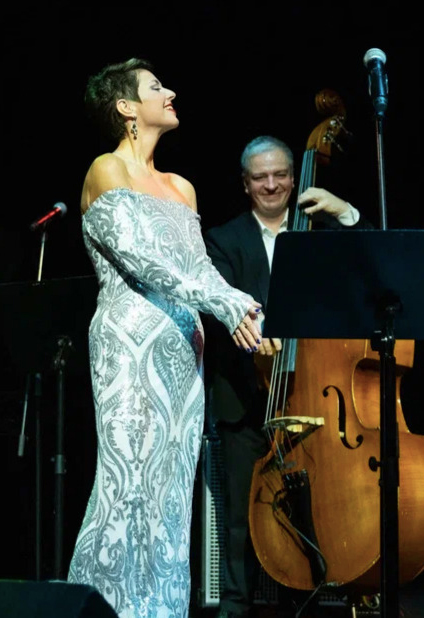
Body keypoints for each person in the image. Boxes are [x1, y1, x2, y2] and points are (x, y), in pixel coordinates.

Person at [67, 58, 263, 618]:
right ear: (126, 107)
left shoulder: (182, 187)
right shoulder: (106, 169)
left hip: (181, 351)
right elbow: (145, 260)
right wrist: (223, 304)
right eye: (155, 87)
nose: (170, 91)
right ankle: (96, 610)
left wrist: (242, 303)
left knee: (172, 499)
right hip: (129, 348)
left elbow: (199, 270)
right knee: (127, 486)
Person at [203, 135, 373, 618]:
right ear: (245, 184)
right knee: (240, 515)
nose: (272, 185)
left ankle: (307, 602)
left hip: (314, 394)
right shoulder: (223, 240)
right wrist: (252, 334)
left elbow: (375, 261)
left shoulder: (319, 231)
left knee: (313, 508)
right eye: (260, 177)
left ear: (295, 178)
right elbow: (215, 306)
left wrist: (346, 213)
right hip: (245, 394)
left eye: (280, 175)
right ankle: (235, 606)